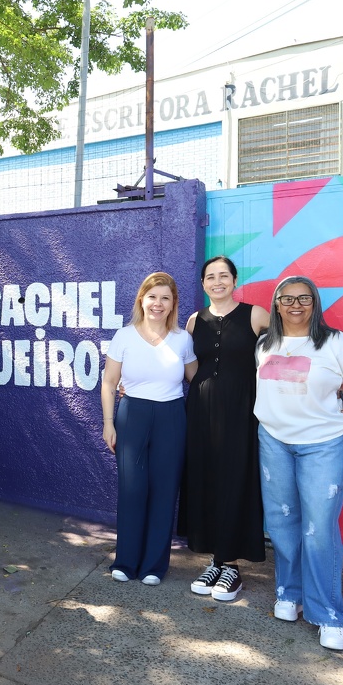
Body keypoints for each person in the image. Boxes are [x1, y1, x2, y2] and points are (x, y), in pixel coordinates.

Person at [255, 276, 343, 651]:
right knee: (281, 522)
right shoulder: (264, 343)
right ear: (276, 305)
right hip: (274, 441)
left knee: (319, 528)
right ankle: (288, 595)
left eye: (303, 298)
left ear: (315, 303)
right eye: (287, 299)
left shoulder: (336, 342)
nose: (295, 305)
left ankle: (328, 614)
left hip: (323, 445)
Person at [180, 257, 271, 602]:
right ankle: (216, 560)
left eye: (224, 276)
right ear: (203, 283)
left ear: (234, 280)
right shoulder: (193, 321)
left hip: (241, 412)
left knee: (236, 480)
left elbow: (289, 351)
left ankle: (231, 564)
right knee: (207, 479)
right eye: (210, 277)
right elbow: (184, 364)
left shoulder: (256, 314)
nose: (217, 282)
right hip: (201, 413)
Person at [100, 272, 196, 586]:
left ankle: (155, 565)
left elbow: (198, 380)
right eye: (152, 296)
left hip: (171, 417)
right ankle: (126, 561)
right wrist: (108, 423)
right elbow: (109, 383)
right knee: (132, 489)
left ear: (172, 304)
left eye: (165, 298)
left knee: (164, 491)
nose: (158, 303)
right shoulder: (124, 335)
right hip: (132, 416)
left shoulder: (183, 339)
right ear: (142, 299)